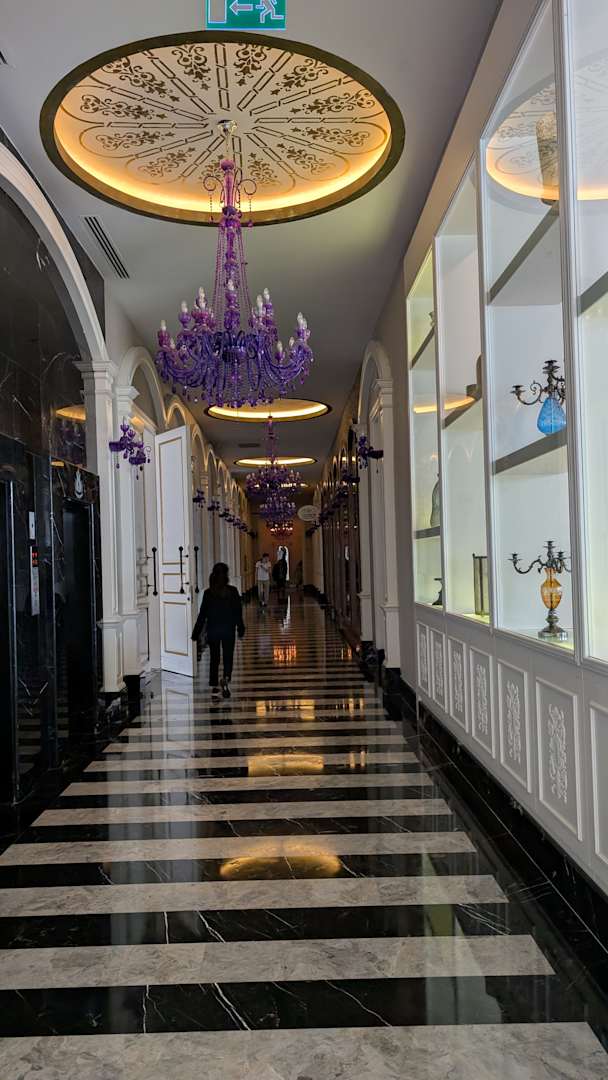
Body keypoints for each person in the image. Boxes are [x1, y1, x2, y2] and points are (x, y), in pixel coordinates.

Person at [192, 562, 245, 702]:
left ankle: (214, 684)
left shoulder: (208, 593)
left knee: (214, 658)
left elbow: (202, 615)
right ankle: (226, 678)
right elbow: (238, 613)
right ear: (226, 575)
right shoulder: (233, 591)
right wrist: (241, 628)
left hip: (213, 631)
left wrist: (196, 633)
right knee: (228, 656)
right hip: (228, 630)